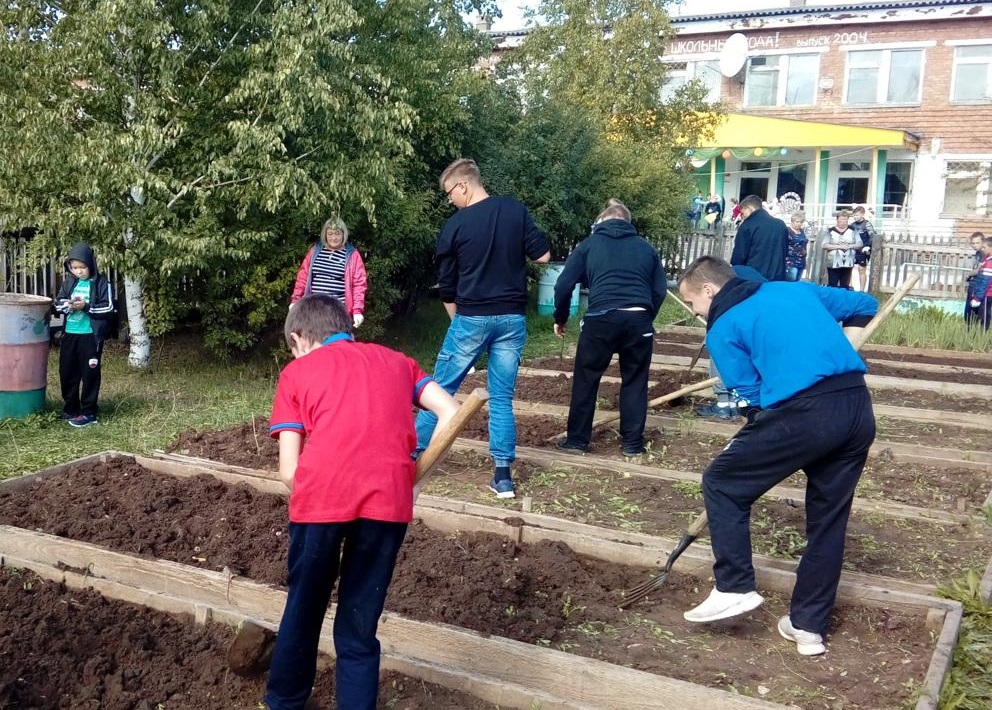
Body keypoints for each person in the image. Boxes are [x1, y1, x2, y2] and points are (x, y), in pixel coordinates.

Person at [265, 294, 459, 710]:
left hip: (320, 503)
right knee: (358, 622)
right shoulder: (399, 362)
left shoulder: (297, 373)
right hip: (387, 503)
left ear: (298, 339)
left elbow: (288, 471)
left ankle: (285, 701)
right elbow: (450, 411)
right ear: (346, 328)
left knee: (303, 608)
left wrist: (324, 489)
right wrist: (416, 477)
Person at [677, 256, 878, 657]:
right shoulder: (794, 289)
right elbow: (865, 305)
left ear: (709, 290)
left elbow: (751, 398)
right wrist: (846, 344)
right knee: (828, 521)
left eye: (691, 303)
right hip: (856, 407)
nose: (694, 312)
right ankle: (808, 627)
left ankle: (733, 586)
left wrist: (758, 427)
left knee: (723, 482)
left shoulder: (722, 328)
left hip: (804, 415)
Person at [414, 158, 551, 499]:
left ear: (463, 185)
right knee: (502, 398)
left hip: (472, 317)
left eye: (449, 193)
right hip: (512, 319)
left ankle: (411, 457)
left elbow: (447, 286)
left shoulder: (456, 227)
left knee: (439, 389)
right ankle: (503, 477)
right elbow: (544, 256)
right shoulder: (514, 210)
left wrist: (457, 320)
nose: (450, 201)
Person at [551, 199, 667, 456]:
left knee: (586, 379)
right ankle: (632, 444)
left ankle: (578, 441)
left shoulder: (588, 245)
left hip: (600, 319)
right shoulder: (646, 249)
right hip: (638, 320)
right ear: (628, 222)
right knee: (635, 381)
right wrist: (646, 316)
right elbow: (659, 291)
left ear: (602, 221)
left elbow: (563, 285)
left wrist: (561, 318)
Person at [53, 242, 116, 427]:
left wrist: (86, 306)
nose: (78, 271)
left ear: (90, 264)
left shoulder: (101, 283)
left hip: (90, 336)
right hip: (70, 334)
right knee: (67, 373)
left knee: (89, 374)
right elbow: (58, 303)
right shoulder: (70, 282)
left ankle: (89, 413)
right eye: (74, 268)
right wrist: (67, 305)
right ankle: (70, 409)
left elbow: (109, 307)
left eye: (82, 267)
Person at [290, 216, 368, 329]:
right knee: (314, 341)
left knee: (334, 342)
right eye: (330, 233)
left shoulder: (352, 255)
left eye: (337, 233)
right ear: (325, 235)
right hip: (314, 308)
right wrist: (295, 299)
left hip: (338, 310)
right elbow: (303, 276)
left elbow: (359, 284)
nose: (333, 237)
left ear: (343, 234)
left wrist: (357, 310)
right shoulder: (315, 250)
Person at [730, 194, 788, 282]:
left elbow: (739, 257)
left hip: (754, 278)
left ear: (749, 209)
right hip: (778, 277)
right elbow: (785, 251)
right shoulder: (781, 225)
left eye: (742, 213)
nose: (742, 217)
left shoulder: (747, 226)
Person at [822, 210, 863, 289]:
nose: (843, 222)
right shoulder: (830, 231)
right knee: (832, 285)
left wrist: (850, 246)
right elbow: (824, 245)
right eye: (841, 220)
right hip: (833, 263)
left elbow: (860, 243)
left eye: (845, 220)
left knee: (844, 286)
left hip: (848, 262)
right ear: (837, 220)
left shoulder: (853, 230)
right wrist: (838, 247)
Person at [849, 206, 876, 292]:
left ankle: (861, 290)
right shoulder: (852, 225)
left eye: (857, 215)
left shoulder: (867, 224)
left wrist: (868, 246)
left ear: (862, 214)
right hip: (853, 249)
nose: (855, 217)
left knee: (861, 269)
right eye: (854, 215)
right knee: (849, 268)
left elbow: (872, 236)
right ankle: (850, 287)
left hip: (864, 249)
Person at [964, 231, 987, 326]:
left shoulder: (982, 253)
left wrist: (969, 274)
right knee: (970, 313)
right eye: (973, 243)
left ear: (983, 242)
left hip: (977, 285)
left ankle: (973, 334)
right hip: (974, 284)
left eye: (977, 243)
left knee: (971, 314)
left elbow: (978, 270)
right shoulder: (978, 253)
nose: (975, 245)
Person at [784, 211, 810, 282]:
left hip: (801, 261)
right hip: (790, 261)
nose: (799, 224)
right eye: (797, 222)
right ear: (792, 221)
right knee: (791, 282)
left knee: (798, 282)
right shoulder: (786, 231)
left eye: (801, 222)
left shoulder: (802, 231)